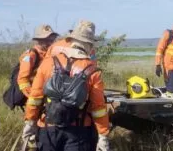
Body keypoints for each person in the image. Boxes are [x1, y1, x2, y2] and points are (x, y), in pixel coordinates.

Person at [22, 20, 110, 151]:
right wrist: (103, 135)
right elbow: (98, 107)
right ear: (90, 45)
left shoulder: (48, 63)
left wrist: (30, 123)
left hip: (48, 127)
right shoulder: (92, 70)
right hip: (78, 131)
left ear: (71, 40)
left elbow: (35, 98)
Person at [17, 25, 58, 97]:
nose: (50, 43)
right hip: (34, 92)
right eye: (46, 40)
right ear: (39, 40)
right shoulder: (30, 55)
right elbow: (23, 79)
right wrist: (32, 96)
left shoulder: (50, 54)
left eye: (51, 40)